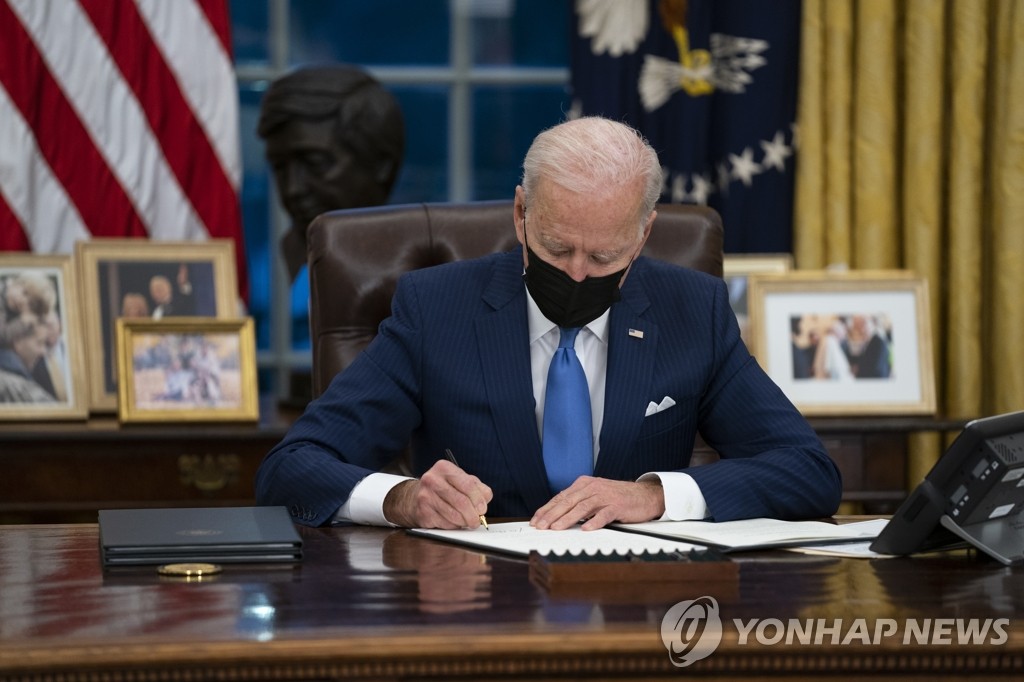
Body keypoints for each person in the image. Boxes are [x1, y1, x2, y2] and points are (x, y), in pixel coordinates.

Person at [255, 116, 842, 531]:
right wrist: (401, 498)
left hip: (640, 616)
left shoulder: (694, 311)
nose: (580, 275)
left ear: (642, 234)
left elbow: (808, 473)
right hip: (476, 608)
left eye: (605, 257)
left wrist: (657, 495)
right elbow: (291, 469)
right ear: (520, 214)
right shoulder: (436, 310)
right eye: (558, 249)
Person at [257, 65, 405, 281]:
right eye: (280, 167)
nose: (292, 189)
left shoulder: (420, 264)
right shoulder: (265, 265)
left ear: (381, 165)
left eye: (315, 163)